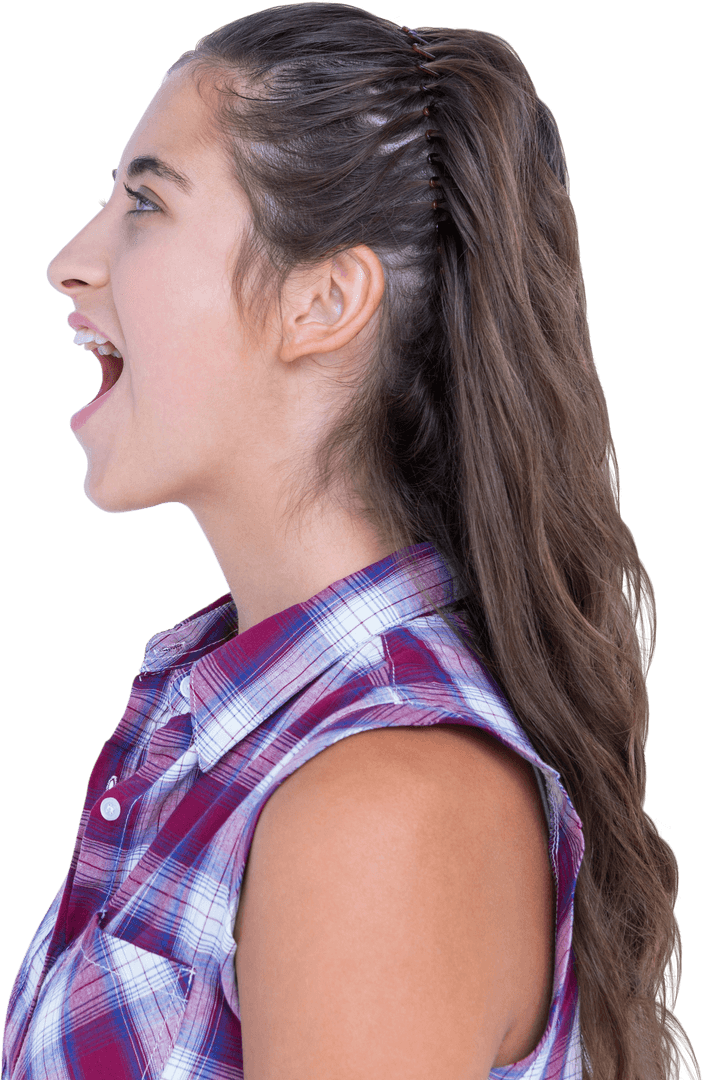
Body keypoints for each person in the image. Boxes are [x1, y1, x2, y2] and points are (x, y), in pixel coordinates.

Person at [1, 4, 701, 1079]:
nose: (68, 263)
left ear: (322, 299)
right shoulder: (218, 732)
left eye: (145, 201)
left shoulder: (380, 804)